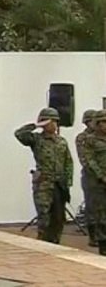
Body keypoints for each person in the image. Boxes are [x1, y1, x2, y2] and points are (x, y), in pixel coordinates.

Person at [14, 108, 73, 244]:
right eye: (49, 122)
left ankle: (55, 242)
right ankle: (42, 243)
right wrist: (36, 125)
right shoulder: (36, 139)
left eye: (54, 122)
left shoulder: (62, 141)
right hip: (43, 184)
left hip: (59, 184)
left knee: (58, 218)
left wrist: (68, 182)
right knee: (44, 217)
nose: (52, 125)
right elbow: (19, 134)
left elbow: (68, 163)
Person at [82, 110, 106, 255]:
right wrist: (102, 176)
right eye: (102, 122)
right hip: (98, 182)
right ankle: (103, 244)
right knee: (101, 214)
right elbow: (90, 161)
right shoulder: (89, 140)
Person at [76, 109, 97, 246]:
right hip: (91, 177)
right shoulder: (82, 138)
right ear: (87, 122)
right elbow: (85, 159)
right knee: (92, 207)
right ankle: (94, 236)